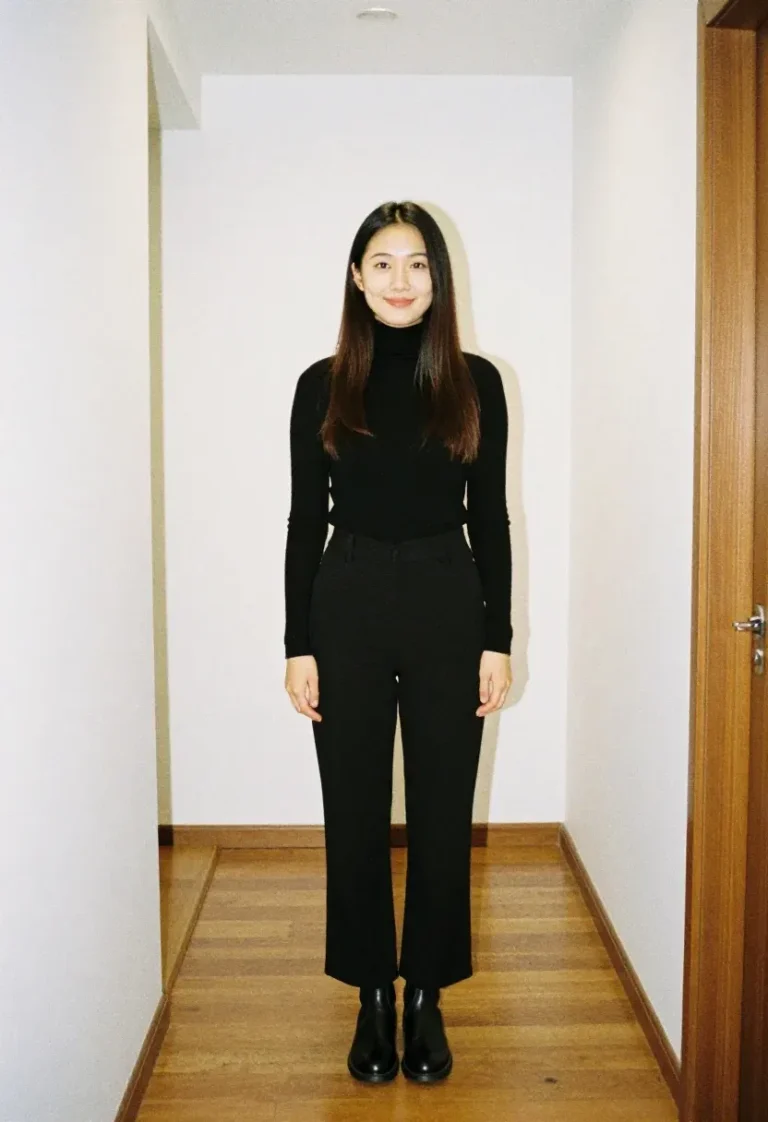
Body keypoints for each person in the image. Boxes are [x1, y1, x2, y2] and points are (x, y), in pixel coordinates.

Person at [283, 200, 513, 1084]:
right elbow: (307, 519)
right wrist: (296, 641)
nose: (401, 281)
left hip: (447, 596)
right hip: (345, 597)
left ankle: (427, 994)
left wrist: (498, 637)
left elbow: (488, 516)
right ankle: (371, 993)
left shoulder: (475, 382)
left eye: (417, 264)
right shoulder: (320, 383)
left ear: (438, 279)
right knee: (353, 802)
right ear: (356, 276)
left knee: (445, 802)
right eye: (382, 263)